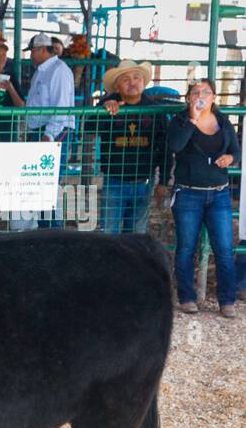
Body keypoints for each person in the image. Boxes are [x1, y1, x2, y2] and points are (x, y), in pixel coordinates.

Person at [166, 79, 239, 318]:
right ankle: (187, 297)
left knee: (225, 249)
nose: (201, 95)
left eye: (206, 92)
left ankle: (227, 300)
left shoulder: (224, 120)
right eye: (196, 92)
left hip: (218, 193)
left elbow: (235, 151)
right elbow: (176, 146)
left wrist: (230, 159)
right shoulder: (179, 121)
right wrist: (193, 119)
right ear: (188, 98)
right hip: (188, 193)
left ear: (214, 97)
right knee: (186, 248)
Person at [93, 60, 173, 234]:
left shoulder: (155, 110)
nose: (132, 82)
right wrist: (105, 104)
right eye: (125, 79)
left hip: (144, 181)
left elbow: (165, 147)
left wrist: (164, 181)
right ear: (117, 87)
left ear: (143, 83)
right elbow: (89, 126)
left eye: (137, 77)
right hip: (114, 180)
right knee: (109, 233)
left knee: (137, 233)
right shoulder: (109, 108)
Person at [23, 33, 76, 229]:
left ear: (42, 50)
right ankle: (46, 227)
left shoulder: (58, 71)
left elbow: (61, 107)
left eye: (33, 51)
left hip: (52, 133)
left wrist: (49, 134)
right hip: (42, 131)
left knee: (49, 183)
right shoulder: (44, 70)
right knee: (42, 183)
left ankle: (52, 229)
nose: (31, 56)